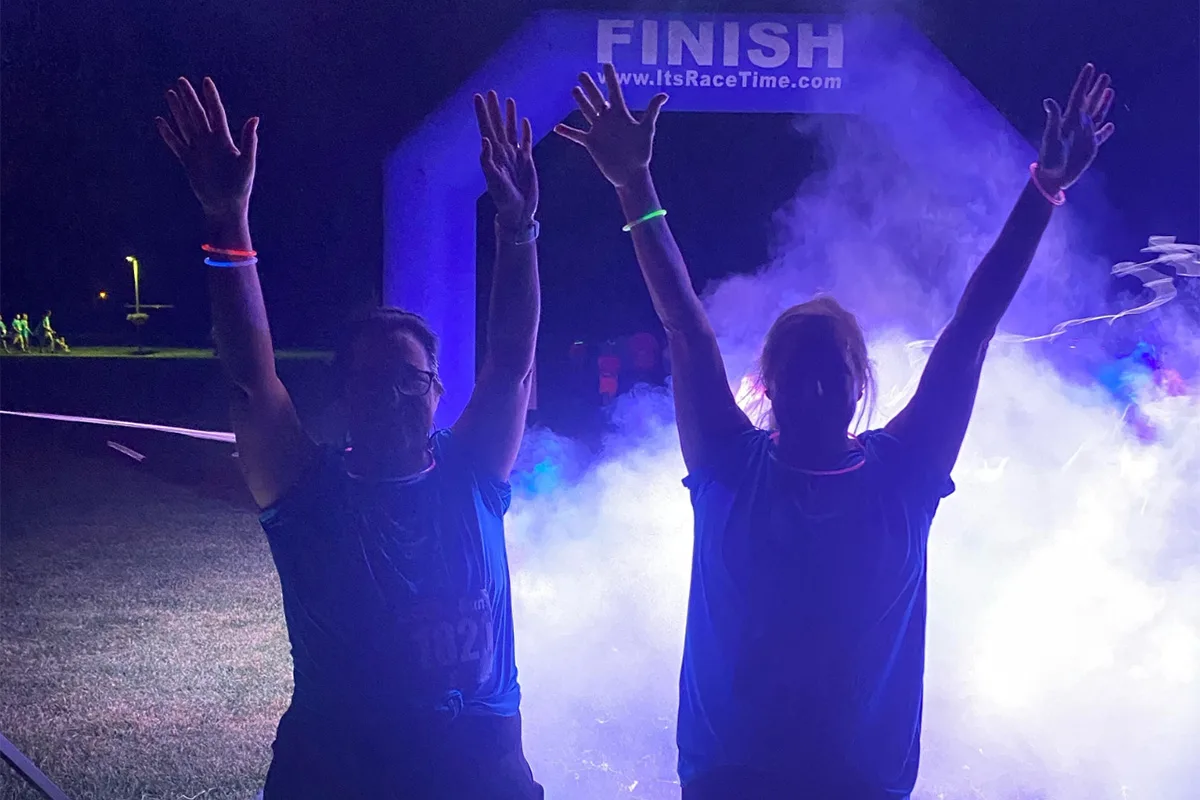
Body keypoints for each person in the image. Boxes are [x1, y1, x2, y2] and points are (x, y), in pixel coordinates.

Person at [558, 63, 1115, 799]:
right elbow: (686, 327)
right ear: (769, 384)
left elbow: (970, 331)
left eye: (835, 371)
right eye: (801, 371)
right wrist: (633, 184)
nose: (819, 388)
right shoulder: (730, 465)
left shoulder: (900, 474)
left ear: (862, 384)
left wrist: (1045, 189)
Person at [156, 77, 543, 799]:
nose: (395, 394)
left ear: (436, 392)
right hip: (341, 773)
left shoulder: (471, 476)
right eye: (374, 379)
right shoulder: (309, 495)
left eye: (411, 378)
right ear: (344, 395)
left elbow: (513, 363)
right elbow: (251, 380)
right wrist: (226, 217)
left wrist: (519, 232)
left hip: (479, 770)